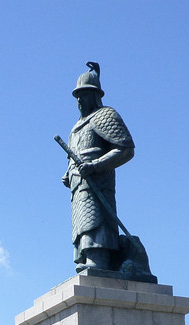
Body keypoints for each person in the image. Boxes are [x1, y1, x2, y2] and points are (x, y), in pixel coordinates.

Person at [62, 62, 135, 272]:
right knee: (81, 221)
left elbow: (125, 148)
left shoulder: (104, 115)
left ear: (94, 95)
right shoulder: (76, 127)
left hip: (97, 182)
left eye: (83, 94)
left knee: (97, 219)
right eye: (77, 95)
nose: (78, 100)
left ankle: (99, 257)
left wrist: (95, 165)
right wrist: (68, 173)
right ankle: (86, 255)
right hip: (78, 185)